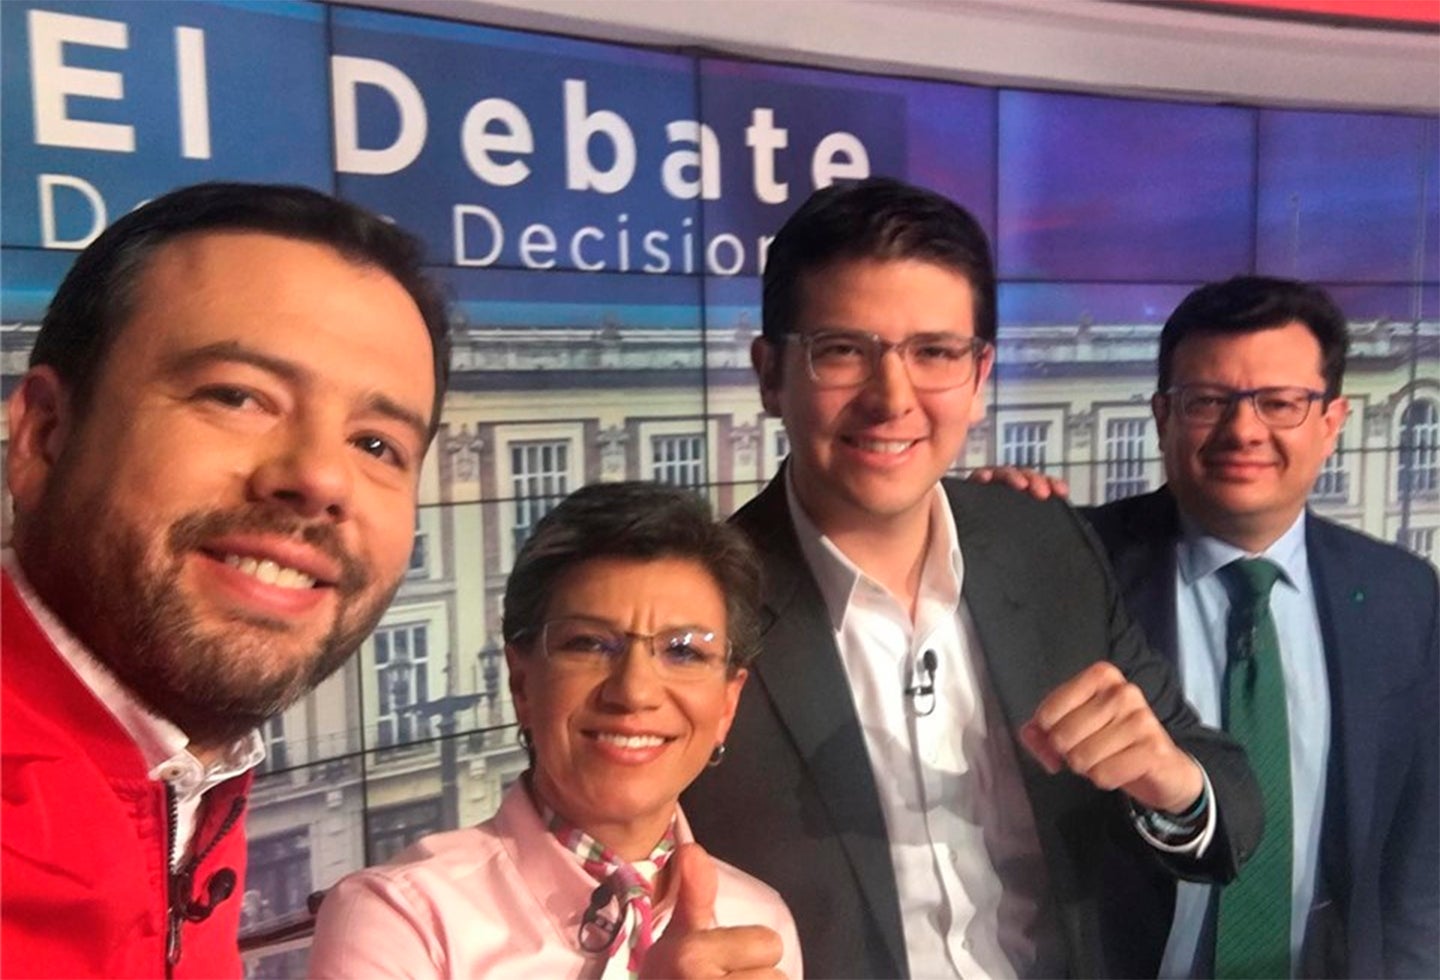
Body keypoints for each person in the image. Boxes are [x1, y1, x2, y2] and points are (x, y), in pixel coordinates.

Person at [682, 176, 1263, 979]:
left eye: (935, 353)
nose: (893, 399)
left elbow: (1228, 802)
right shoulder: (698, 607)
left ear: (980, 375)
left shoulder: (1044, 543)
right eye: (843, 350)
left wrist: (1168, 782)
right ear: (770, 373)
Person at [1, 182, 451, 978]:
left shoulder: (184, 787)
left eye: (378, 445)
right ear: (44, 434)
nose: (319, 477)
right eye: (237, 396)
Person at [1079, 277, 1439, 978]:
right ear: (1163, 416)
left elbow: (1419, 852)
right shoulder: (1072, 569)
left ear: (1332, 421)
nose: (1243, 431)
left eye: (1280, 403)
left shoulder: (1402, 595)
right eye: (1208, 401)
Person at [307, 481, 802, 979]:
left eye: (684, 651)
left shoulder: (758, 923)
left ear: (726, 704)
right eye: (589, 644)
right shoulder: (400, 918)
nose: (633, 691)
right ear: (522, 683)